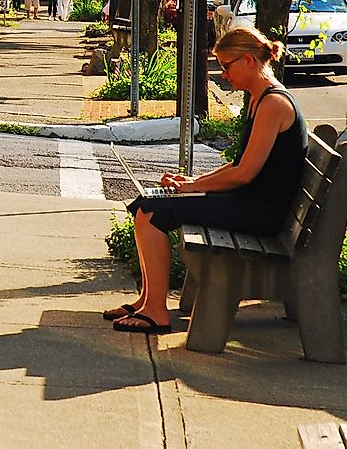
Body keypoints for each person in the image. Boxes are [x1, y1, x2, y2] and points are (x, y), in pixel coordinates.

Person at [104, 27, 306, 333]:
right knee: (147, 204)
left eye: (227, 65)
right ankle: (147, 300)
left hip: (262, 213)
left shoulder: (273, 104)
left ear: (249, 60)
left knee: (153, 212)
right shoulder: (258, 99)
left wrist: (192, 188)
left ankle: (157, 312)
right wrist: (193, 182)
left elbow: (243, 174)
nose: (223, 74)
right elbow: (240, 166)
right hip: (252, 203)